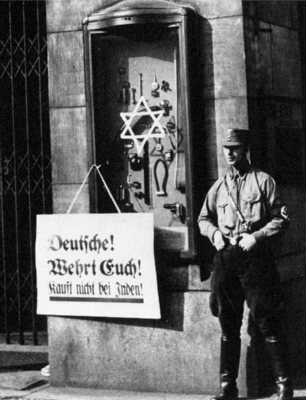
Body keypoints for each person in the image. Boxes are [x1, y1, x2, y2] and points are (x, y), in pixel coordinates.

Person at [198, 129, 293, 400]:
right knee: (228, 322)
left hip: (255, 256)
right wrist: (214, 234)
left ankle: (284, 386)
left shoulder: (263, 181)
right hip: (227, 257)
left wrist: (257, 236)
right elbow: (203, 218)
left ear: (245, 149)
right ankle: (228, 388)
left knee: (267, 319)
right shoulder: (218, 187)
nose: (230, 152)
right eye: (227, 147)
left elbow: (281, 218)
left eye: (236, 147)